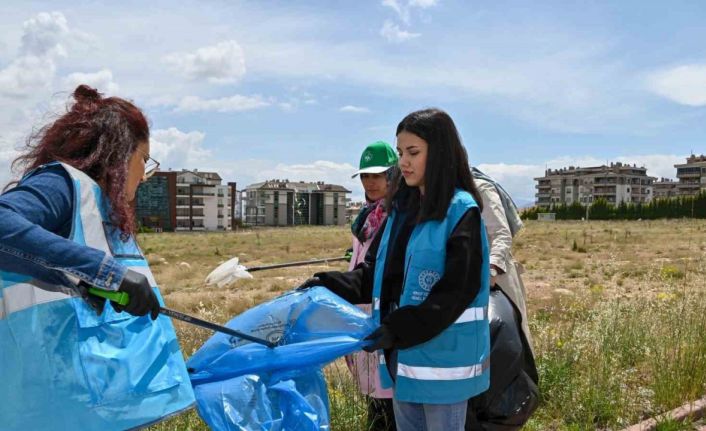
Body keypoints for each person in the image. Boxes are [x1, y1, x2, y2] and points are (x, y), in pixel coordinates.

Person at [0, 85, 195, 430]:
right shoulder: (59, 184)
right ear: (120, 154)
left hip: (93, 407)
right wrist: (105, 272)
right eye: (143, 159)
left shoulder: (100, 211)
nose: (145, 174)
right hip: (49, 407)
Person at [301, 108, 490, 431]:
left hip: (443, 366)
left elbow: (456, 291)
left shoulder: (461, 212)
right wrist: (328, 284)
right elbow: (375, 274)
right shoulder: (402, 212)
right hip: (401, 360)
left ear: (441, 153)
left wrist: (399, 327)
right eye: (401, 152)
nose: (403, 161)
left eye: (413, 152)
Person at [465, 171, 539, 430]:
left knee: (505, 355)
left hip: (495, 288)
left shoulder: (479, 188)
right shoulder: (436, 191)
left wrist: (491, 270)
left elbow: (501, 235)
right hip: (464, 292)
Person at [347, 141, 398, 430]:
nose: (371, 182)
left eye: (377, 175)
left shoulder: (399, 215)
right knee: (372, 397)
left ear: (392, 175)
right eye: (366, 176)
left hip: (385, 315)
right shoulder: (366, 218)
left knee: (388, 401)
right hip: (362, 313)